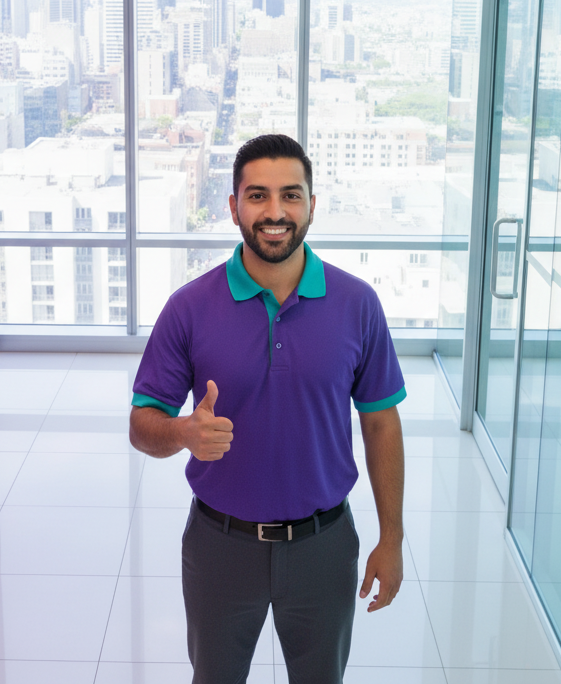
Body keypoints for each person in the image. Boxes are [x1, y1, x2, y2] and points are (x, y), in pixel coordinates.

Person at [129, 133, 406, 684]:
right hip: (219, 548)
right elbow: (142, 424)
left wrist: (392, 537)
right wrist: (184, 432)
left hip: (324, 547)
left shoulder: (357, 304)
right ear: (233, 206)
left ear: (310, 205)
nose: (275, 212)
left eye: (291, 195)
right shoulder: (188, 308)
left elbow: (381, 422)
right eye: (257, 196)